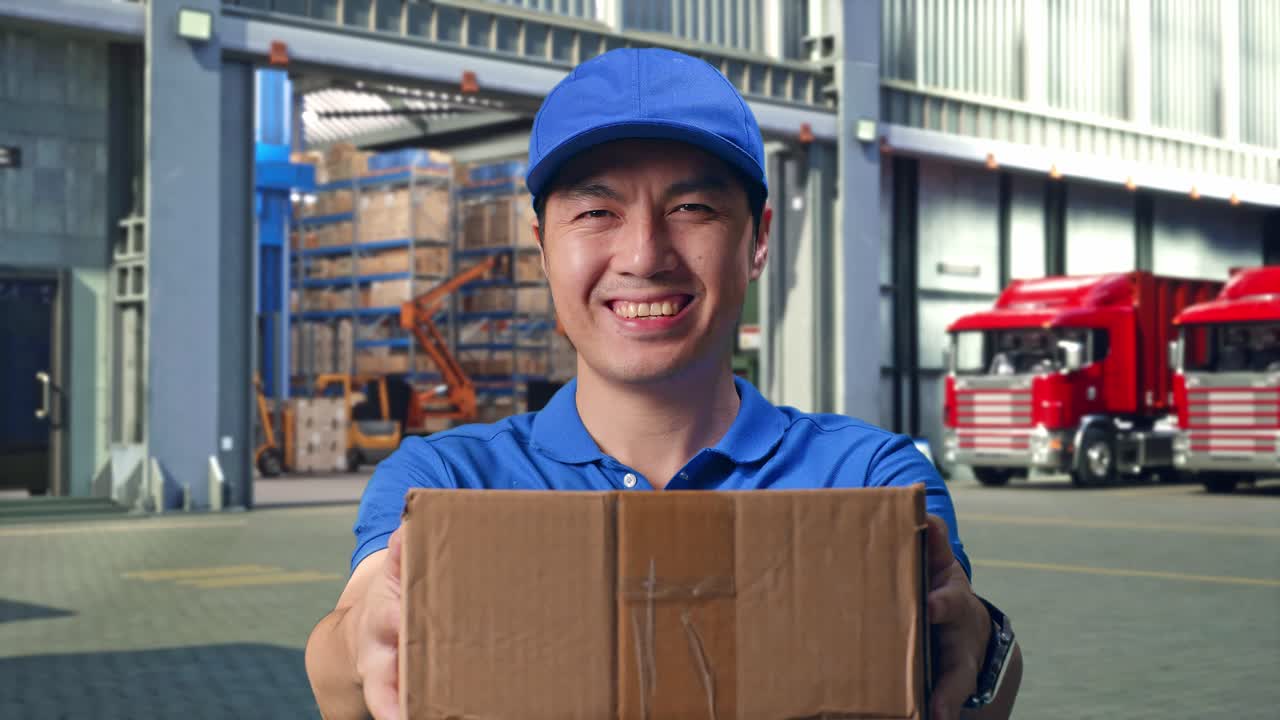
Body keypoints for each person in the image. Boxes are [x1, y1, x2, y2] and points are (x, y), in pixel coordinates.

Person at [305, 47, 1022, 720]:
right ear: (542, 249)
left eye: (692, 209)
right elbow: (352, 642)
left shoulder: (868, 479)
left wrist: (982, 636)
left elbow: (960, 650)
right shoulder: (446, 483)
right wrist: (360, 641)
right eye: (596, 213)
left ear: (759, 240)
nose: (644, 255)